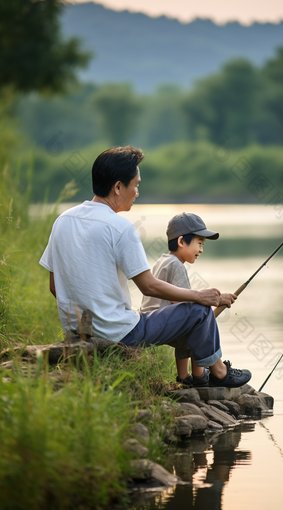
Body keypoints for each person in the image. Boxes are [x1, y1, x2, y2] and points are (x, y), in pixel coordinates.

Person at [39, 145, 251, 388]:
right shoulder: (120, 228)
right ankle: (219, 373)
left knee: (193, 306)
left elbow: (55, 287)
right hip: (120, 333)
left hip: (77, 332)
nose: (137, 192)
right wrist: (200, 296)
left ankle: (199, 375)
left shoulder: (62, 221)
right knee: (198, 309)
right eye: (136, 185)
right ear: (118, 187)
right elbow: (148, 287)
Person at [141, 212, 220, 387]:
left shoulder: (163, 261)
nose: (201, 250)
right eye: (199, 243)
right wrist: (217, 300)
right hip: (157, 323)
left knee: (186, 334)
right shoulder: (177, 265)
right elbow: (183, 305)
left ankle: (184, 377)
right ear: (181, 241)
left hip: (149, 319)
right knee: (195, 328)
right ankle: (199, 376)